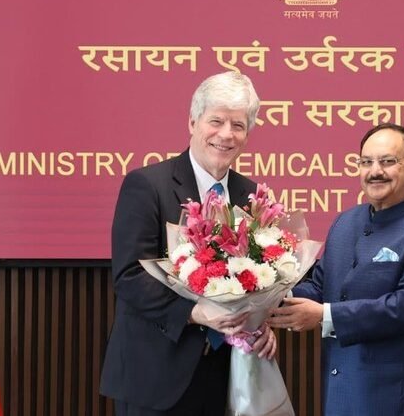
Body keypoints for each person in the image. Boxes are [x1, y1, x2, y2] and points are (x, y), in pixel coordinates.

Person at [100, 71, 277, 416]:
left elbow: (255, 281)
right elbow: (130, 277)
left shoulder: (251, 195)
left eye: (238, 125)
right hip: (156, 375)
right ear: (193, 122)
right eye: (216, 121)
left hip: (225, 376)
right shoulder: (147, 185)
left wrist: (258, 324)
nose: (226, 134)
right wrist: (196, 313)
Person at [269, 123, 404, 415]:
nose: (375, 171)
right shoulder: (345, 222)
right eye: (366, 162)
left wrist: (324, 316)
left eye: (388, 161)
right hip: (340, 393)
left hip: (398, 400)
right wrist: (269, 298)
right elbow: (321, 286)